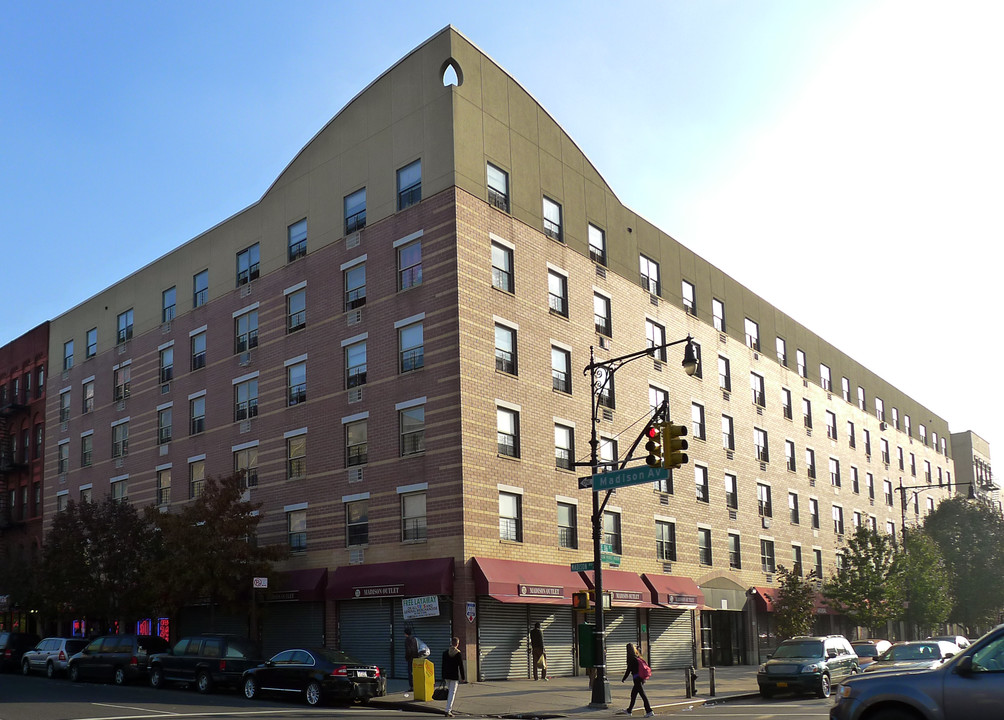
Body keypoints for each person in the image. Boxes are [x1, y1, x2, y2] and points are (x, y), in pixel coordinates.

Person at [617, 643, 654, 717]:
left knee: (643, 695)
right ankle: (629, 710)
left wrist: (624, 678)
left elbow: (628, 670)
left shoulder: (632, 659)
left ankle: (649, 711)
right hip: (640, 678)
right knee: (633, 695)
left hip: (637, 679)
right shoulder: (637, 657)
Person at [441, 636, 466, 717]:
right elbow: (461, 666)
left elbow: (443, 665)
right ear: (457, 644)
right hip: (454, 676)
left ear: (451, 643)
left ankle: (448, 709)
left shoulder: (445, 653)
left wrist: (443, 675)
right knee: (452, 693)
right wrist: (463, 677)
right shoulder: (458, 653)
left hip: (446, 675)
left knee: (450, 692)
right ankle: (448, 710)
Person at [404, 626, 419, 691]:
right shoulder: (414, 639)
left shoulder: (407, 640)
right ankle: (416, 685)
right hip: (415, 658)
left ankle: (412, 687)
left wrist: (406, 657)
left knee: (410, 673)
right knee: (415, 672)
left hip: (410, 658)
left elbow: (408, 650)